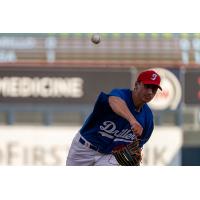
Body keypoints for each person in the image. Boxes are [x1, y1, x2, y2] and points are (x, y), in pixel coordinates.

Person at [66, 69, 162, 166]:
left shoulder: (148, 117)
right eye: (147, 86)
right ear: (136, 85)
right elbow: (114, 101)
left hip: (110, 156)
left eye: (154, 88)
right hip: (84, 149)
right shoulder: (121, 95)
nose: (150, 92)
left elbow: (137, 147)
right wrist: (132, 121)